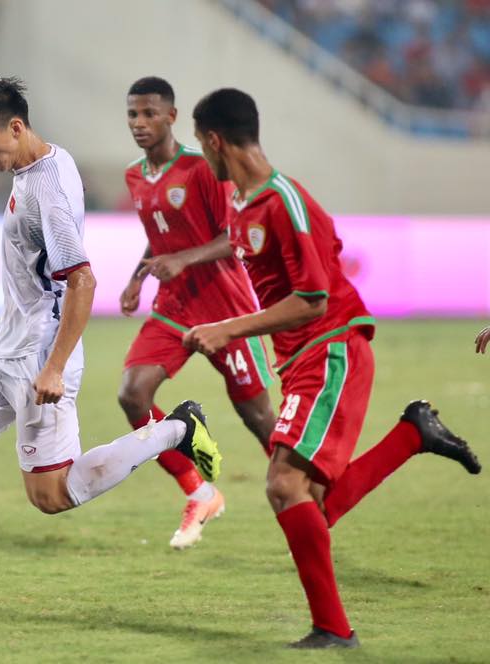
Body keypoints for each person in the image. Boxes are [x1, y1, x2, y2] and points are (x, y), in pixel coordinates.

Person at [0, 77, 223, 596]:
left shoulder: (47, 193)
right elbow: (10, 155)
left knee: (50, 495)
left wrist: (54, 367)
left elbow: (83, 280)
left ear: (17, 128)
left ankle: (174, 430)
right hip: (3, 345)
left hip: (39, 356)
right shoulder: (40, 157)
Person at [184, 88, 482, 648]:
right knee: (307, 501)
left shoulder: (286, 201)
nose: (203, 155)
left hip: (332, 346)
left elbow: (314, 297)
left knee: (283, 484)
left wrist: (228, 329)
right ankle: (412, 435)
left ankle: (333, 629)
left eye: (201, 144)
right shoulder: (242, 203)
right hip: (299, 357)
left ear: (215, 140)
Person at [119, 76, 277, 549]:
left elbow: (235, 236)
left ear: (171, 116)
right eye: (132, 114)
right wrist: (137, 278)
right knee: (133, 395)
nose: (140, 123)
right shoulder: (135, 176)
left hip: (225, 311)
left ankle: (308, 497)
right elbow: (161, 235)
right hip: (174, 307)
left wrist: (183, 259)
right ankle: (199, 492)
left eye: (149, 113)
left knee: (258, 417)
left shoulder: (202, 169)